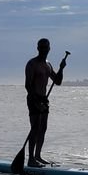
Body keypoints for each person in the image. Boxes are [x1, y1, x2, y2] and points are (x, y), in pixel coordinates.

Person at [25, 38, 66, 167]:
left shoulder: (48, 64)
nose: (43, 49)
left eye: (45, 47)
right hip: (33, 99)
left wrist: (61, 68)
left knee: (43, 129)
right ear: (38, 48)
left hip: (44, 99)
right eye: (41, 47)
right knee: (35, 128)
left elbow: (57, 81)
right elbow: (28, 86)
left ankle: (38, 156)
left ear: (49, 49)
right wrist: (36, 101)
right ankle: (31, 159)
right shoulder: (32, 64)